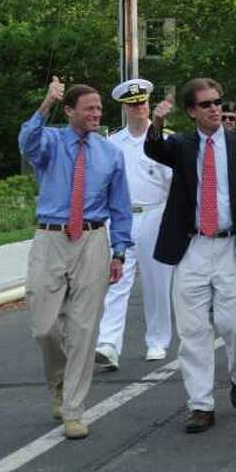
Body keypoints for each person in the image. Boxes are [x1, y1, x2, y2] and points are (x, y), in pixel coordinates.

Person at [145, 78, 236, 434]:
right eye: (206, 104)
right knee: (192, 331)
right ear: (191, 111)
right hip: (192, 246)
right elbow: (154, 150)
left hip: (234, 246)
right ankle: (200, 404)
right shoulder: (182, 146)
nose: (215, 108)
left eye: (218, 102)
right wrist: (156, 123)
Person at [19, 76, 132, 440]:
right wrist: (46, 103)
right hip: (50, 238)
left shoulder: (110, 153)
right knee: (44, 326)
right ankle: (59, 382)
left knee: (84, 329)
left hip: (93, 240)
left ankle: (73, 408)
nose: (97, 114)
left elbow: (120, 206)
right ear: (70, 111)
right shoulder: (50, 142)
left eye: (99, 108)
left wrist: (119, 252)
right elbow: (26, 142)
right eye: (89, 109)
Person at [94, 79, 174, 371]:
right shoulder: (112, 143)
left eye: (142, 102)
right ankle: (109, 343)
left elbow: (174, 185)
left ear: (148, 104)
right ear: (124, 108)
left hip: (156, 213)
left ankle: (157, 340)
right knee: (117, 281)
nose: (139, 108)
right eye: (132, 104)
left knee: (157, 282)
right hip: (122, 217)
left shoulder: (164, 140)